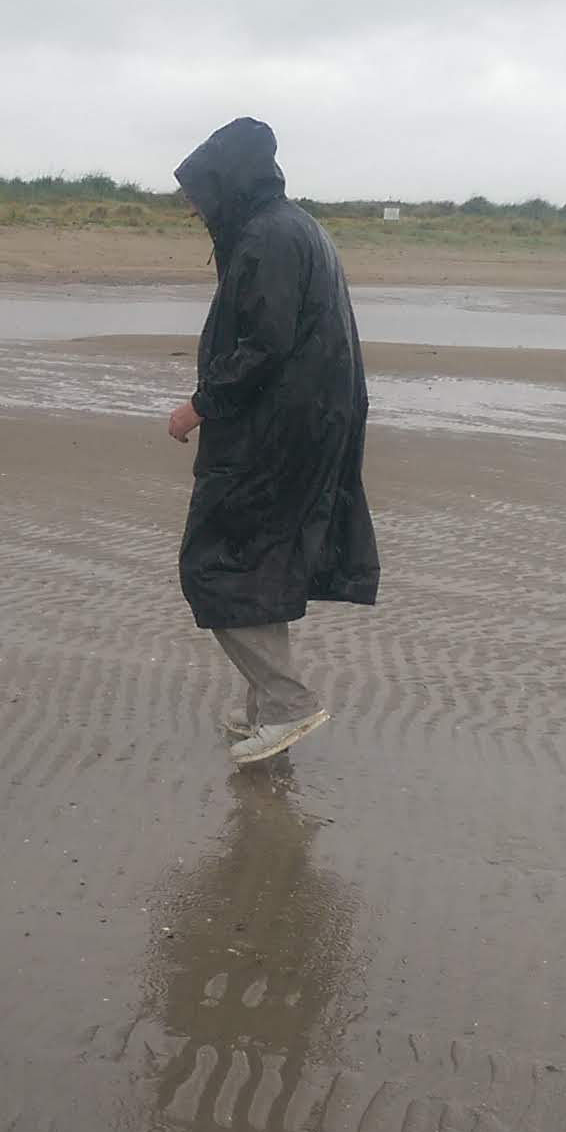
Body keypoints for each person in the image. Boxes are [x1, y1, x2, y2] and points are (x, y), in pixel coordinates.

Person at [165, 117, 380, 765]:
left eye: (199, 191)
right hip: (306, 422)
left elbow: (264, 346)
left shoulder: (268, 238)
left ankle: (287, 702)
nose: (192, 205)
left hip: (282, 429)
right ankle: (263, 711)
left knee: (212, 566)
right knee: (257, 563)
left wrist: (199, 407)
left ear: (228, 182)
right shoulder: (290, 227)